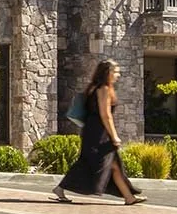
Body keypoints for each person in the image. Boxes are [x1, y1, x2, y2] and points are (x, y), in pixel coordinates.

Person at [53, 59, 145, 206]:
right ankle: (60, 188)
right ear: (108, 73)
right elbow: (105, 115)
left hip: (92, 130)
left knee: (113, 164)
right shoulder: (104, 89)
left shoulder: (93, 87)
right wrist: (114, 136)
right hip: (99, 133)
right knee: (90, 163)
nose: (118, 75)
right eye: (115, 72)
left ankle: (129, 197)